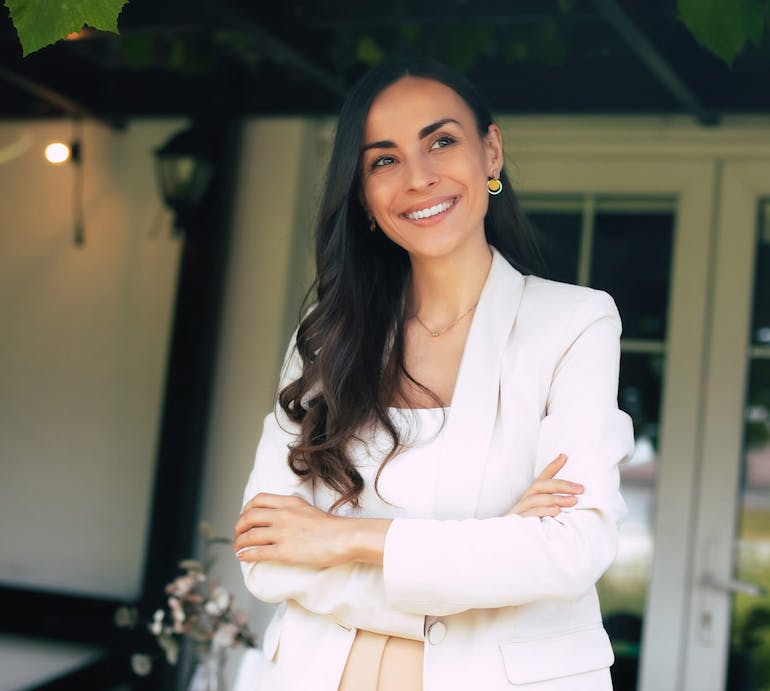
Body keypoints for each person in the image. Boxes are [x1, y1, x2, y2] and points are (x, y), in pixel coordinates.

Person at [233, 58, 634, 691]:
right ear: (362, 193)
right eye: (383, 160)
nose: (419, 178)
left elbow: (570, 552)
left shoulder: (574, 323)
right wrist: (493, 547)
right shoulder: (328, 333)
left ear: (491, 153)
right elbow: (267, 556)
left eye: (441, 141)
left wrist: (344, 540)